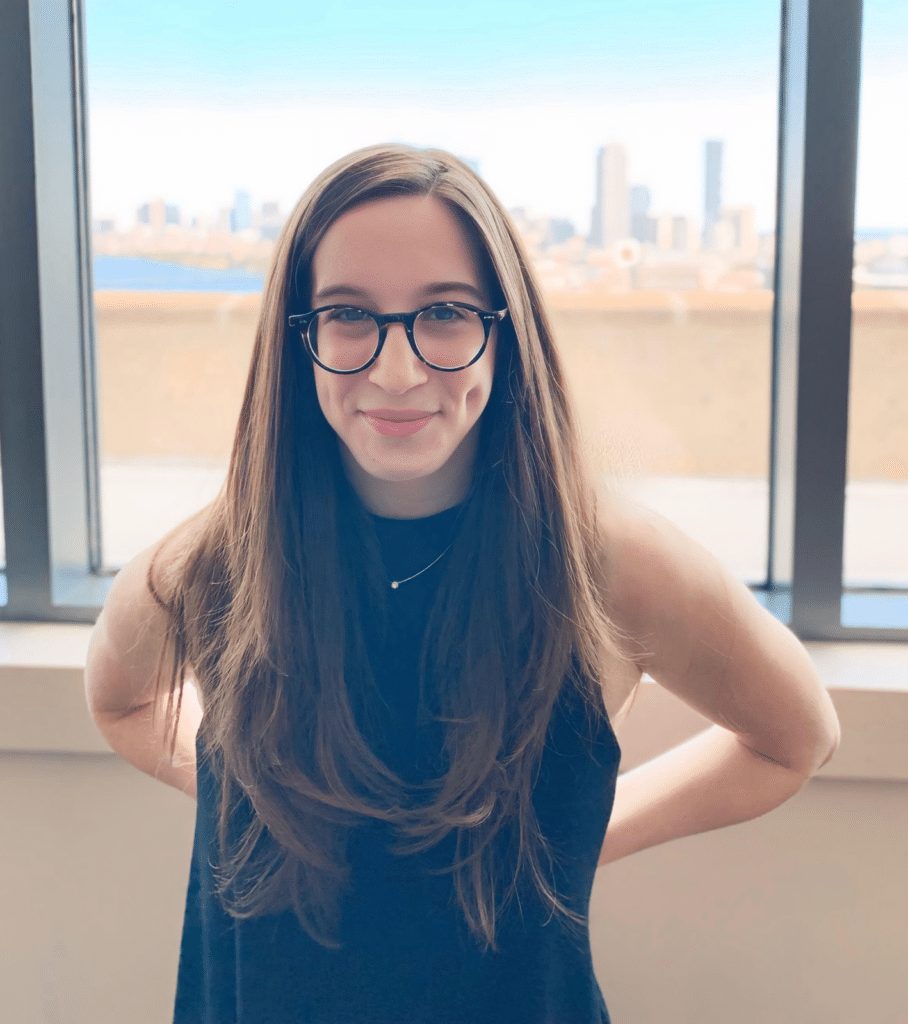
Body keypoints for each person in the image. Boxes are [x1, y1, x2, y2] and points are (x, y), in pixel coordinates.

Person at [84, 144, 841, 1024]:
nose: (397, 371)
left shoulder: (606, 562)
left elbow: (797, 739)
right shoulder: (210, 566)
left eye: (444, 312)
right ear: (299, 337)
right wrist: (275, 804)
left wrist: (579, 839)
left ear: (506, 330)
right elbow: (119, 703)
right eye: (348, 314)